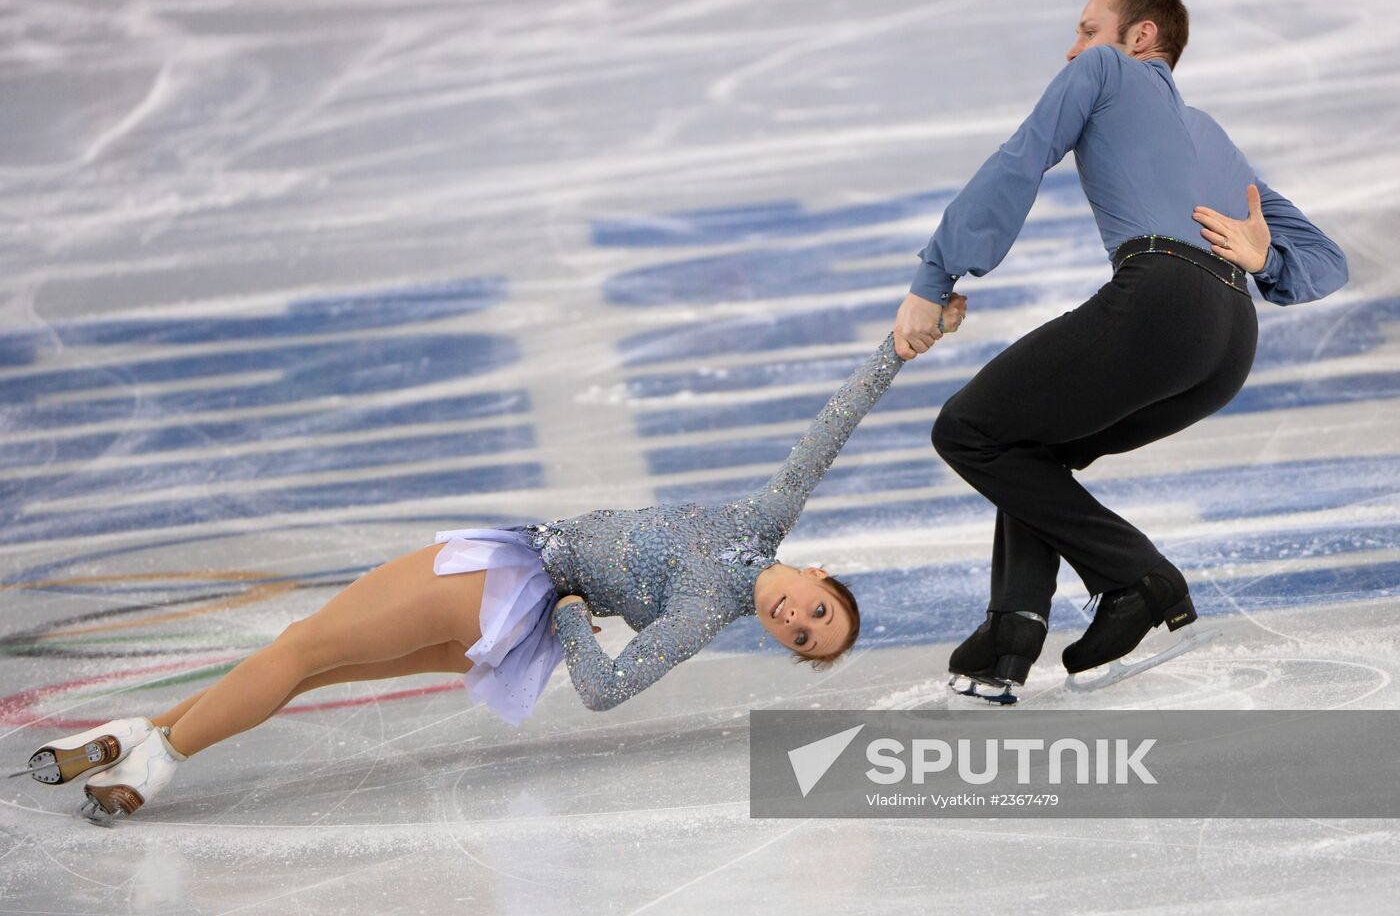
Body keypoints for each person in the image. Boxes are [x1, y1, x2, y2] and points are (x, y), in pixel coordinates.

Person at [24, 330, 928, 824]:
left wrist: (573, 607)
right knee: (314, 667)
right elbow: (834, 424)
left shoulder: (702, 611)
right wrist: (900, 346)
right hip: (504, 632)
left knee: (301, 646)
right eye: (815, 607)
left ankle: (156, 768)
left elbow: (607, 690)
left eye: (803, 637)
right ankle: (134, 737)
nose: (796, 619)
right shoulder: (763, 519)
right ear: (812, 572)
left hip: (510, 579)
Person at [891, 0, 1348, 699]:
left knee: (968, 429)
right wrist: (1268, 261)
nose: (1074, 50)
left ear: (1139, 38)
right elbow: (1327, 262)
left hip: (1161, 303)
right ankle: (1009, 635)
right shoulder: (1210, 134)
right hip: (1229, 343)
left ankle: (1142, 581)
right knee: (1031, 447)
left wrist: (934, 277)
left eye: (1087, 29)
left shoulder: (1106, 73)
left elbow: (1022, 157)